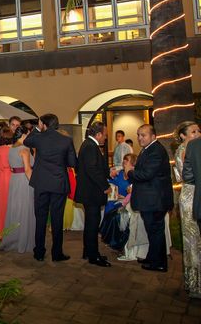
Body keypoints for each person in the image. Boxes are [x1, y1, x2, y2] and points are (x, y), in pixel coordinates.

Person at [24, 113, 77, 262]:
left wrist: (37, 129)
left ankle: (39, 252)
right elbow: (72, 162)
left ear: (43, 124)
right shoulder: (66, 140)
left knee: (40, 218)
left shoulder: (39, 137)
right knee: (57, 219)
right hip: (58, 183)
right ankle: (57, 253)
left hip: (41, 183)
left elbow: (27, 141)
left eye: (40, 123)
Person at [124, 124, 173, 272]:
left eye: (143, 135)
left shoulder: (156, 151)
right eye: (138, 135)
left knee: (156, 231)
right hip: (151, 199)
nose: (139, 138)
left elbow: (146, 174)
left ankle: (159, 263)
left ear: (153, 136)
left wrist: (129, 171)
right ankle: (153, 257)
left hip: (155, 200)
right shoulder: (149, 149)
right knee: (153, 231)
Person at [75, 121, 111, 267]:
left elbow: (95, 167)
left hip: (89, 192)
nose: (105, 138)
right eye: (105, 135)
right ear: (98, 134)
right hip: (91, 192)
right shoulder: (90, 146)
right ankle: (93, 256)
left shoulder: (88, 145)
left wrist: (108, 172)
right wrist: (105, 186)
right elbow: (92, 169)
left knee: (90, 224)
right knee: (92, 225)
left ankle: (88, 251)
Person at [174, 121, 201, 297]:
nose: (197, 133)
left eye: (199, 130)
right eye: (193, 131)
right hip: (190, 196)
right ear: (183, 136)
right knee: (192, 241)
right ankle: (195, 284)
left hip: (193, 193)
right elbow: (184, 176)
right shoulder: (183, 151)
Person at [1, 126, 35, 253]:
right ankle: (23, 241)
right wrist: (35, 184)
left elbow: (11, 167)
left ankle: (13, 238)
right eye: (28, 134)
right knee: (25, 209)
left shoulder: (12, 148)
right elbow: (27, 169)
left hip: (14, 180)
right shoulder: (24, 149)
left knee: (15, 209)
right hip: (24, 181)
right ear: (24, 135)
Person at [100, 154, 134, 252]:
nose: (124, 162)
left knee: (116, 213)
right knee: (109, 205)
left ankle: (114, 239)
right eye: (124, 160)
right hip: (116, 198)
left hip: (126, 201)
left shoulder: (133, 175)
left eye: (126, 161)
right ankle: (107, 235)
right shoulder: (119, 173)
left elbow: (133, 193)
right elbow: (111, 183)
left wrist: (123, 197)